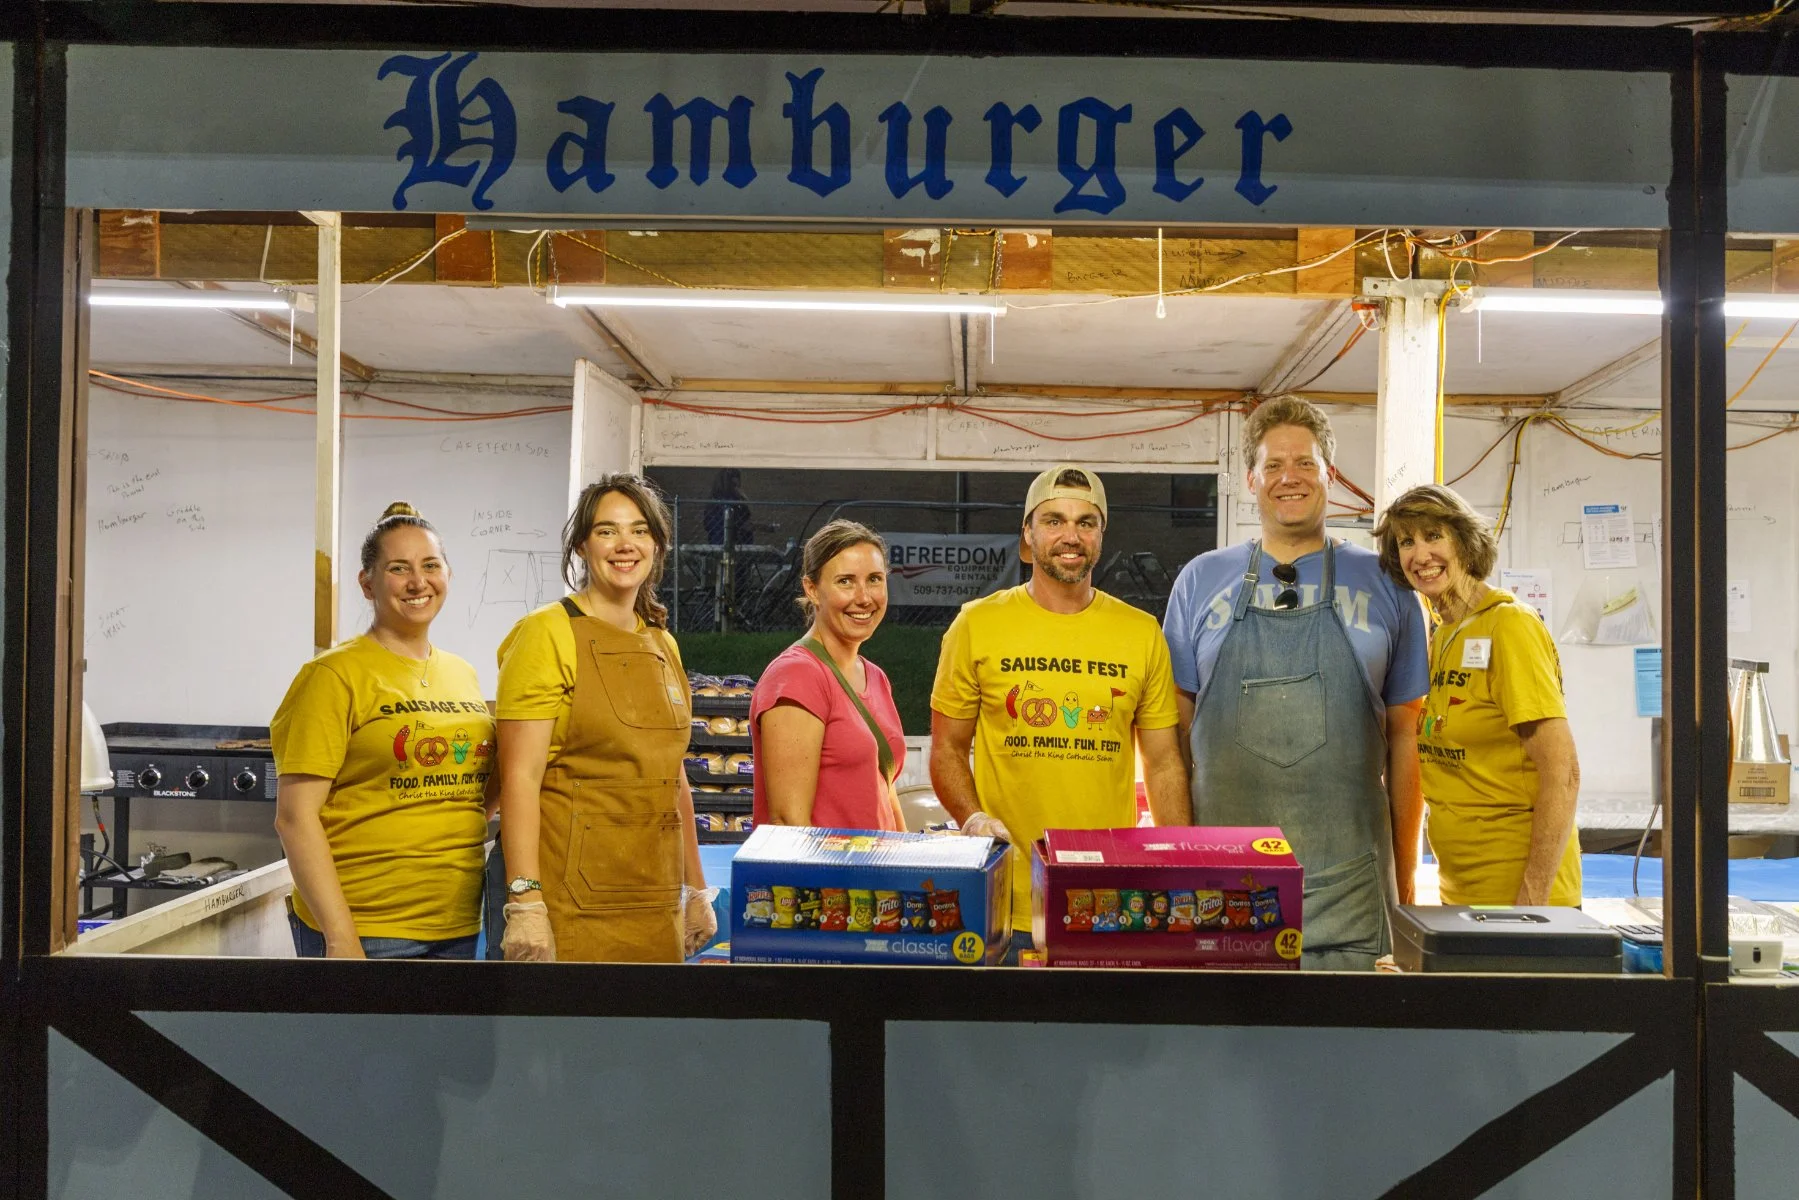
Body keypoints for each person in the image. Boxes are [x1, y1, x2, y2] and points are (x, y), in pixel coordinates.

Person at [1163, 395, 1428, 971]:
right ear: (1251, 479)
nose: (1291, 477)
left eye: (1306, 463)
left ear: (1329, 475)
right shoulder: (1199, 581)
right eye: (1275, 465)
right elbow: (1171, 746)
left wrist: (1406, 881)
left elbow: (1407, 742)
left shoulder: (1387, 583)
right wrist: (1179, 866)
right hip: (1223, 886)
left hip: (1353, 887)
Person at [930, 465, 1188, 961]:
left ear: (1101, 536)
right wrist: (973, 818)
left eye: (1085, 522)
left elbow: (1163, 763)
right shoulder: (976, 625)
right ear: (1027, 536)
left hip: (1108, 902)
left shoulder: (1141, 632)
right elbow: (947, 749)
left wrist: (1175, 864)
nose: (1071, 536)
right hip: (1004, 905)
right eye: (1053, 521)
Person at [493, 475, 714, 963]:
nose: (624, 545)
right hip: (570, 904)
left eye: (639, 531)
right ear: (581, 545)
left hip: (654, 902)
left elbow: (672, 777)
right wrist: (525, 900)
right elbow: (519, 778)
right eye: (606, 531)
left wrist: (695, 889)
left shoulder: (663, 643)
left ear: (656, 546)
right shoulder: (546, 634)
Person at [271, 502, 494, 959]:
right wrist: (340, 937)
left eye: (430, 565)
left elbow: (475, 794)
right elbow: (294, 818)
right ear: (367, 582)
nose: (418, 582)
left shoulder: (463, 673)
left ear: (448, 574)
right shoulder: (333, 676)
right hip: (368, 930)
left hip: (459, 924)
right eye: (398, 568)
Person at [1374, 484, 1581, 906]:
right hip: (1463, 891)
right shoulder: (1443, 634)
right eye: (1406, 542)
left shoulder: (1509, 626)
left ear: (1464, 542)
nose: (1420, 554)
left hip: (1519, 899)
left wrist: (1530, 905)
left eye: (1433, 535)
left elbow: (1564, 774)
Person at [752, 521, 907, 831]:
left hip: (877, 862)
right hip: (828, 865)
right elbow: (788, 821)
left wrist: (909, 856)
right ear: (812, 590)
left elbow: (884, 791)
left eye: (874, 579)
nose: (864, 598)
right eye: (846, 581)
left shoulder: (875, 677)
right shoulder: (797, 676)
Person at [705, 467, 753, 547]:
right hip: (726, 541)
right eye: (734, 485)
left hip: (725, 541)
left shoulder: (714, 500)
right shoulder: (723, 501)